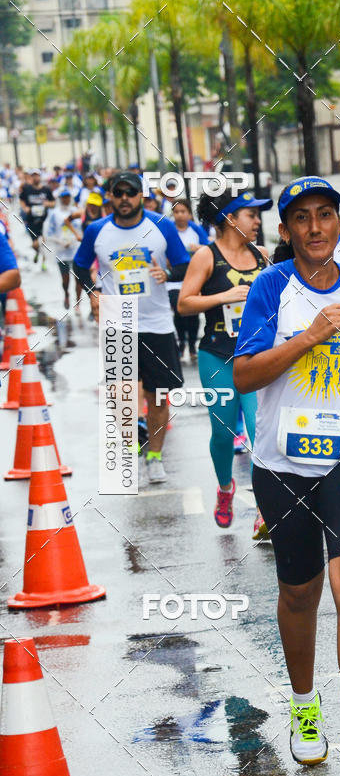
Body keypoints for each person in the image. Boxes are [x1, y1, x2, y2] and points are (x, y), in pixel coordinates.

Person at [233, 176, 340, 772]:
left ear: (337, 223)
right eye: (300, 218)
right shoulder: (269, 288)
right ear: (286, 231)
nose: (314, 228)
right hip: (281, 463)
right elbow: (245, 377)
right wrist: (309, 336)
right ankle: (306, 706)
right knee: (298, 592)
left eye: (324, 216)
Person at [74, 170, 191, 484]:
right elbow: (79, 264)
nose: (124, 198)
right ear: (110, 196)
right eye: (118, 192)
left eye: (130, 192)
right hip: (117, 322)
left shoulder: (161, 225)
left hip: (157, 323)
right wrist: (93, 292)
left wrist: (167, 274)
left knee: (158, 396)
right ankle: (129, 449)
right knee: (121, 396)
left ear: (141, 195)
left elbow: (183, 264)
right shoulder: (96, 230)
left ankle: (154, 458)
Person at [178, 187, 271, 536]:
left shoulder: (262, 256)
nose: (258, 221)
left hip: (256, 358)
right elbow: (185, 303)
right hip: (217, 356)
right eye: (252, 214)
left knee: (260, 432)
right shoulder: (207, 256)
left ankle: (264, 507)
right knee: (223, 432)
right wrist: (225, 296)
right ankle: (225, 489)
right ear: (231, 219)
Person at [166, 198, 210, 361]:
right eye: (176, 212)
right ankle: (181, 342)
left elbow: (209, 248)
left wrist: (197, 249)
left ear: (189, 214)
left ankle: (192, 345)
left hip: (194, 280)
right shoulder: (169, 230)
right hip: (174, 281)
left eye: (183, 211)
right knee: (178, 309)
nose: (179, 215)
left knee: (192, 314)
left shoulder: (196, 230)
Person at [43, 189, 83, 310]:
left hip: (76, 250)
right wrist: (60, 242)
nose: (65, 200)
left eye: (67, 197)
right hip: (62, 252)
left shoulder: (76, 212)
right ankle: (66, 294)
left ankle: (78, 302)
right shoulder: (54, 214)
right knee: (65, 279)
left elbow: (83, 229)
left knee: (79, 278)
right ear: (60, 199)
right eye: (63, 197)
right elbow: (49, 233)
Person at [20, 169, 54, 268]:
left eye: (37, 175)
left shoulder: (46, 189)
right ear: (31, 177)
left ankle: (44, 262)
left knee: (44, 242)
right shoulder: (27, 189)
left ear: (40, 177)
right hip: (32, 220)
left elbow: (53, 202)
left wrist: (48, 204)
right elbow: (21, 200)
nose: (36, 178)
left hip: (44, 220)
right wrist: (25, 208)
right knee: (35, 244)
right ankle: (37, 253)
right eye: (33, 176)